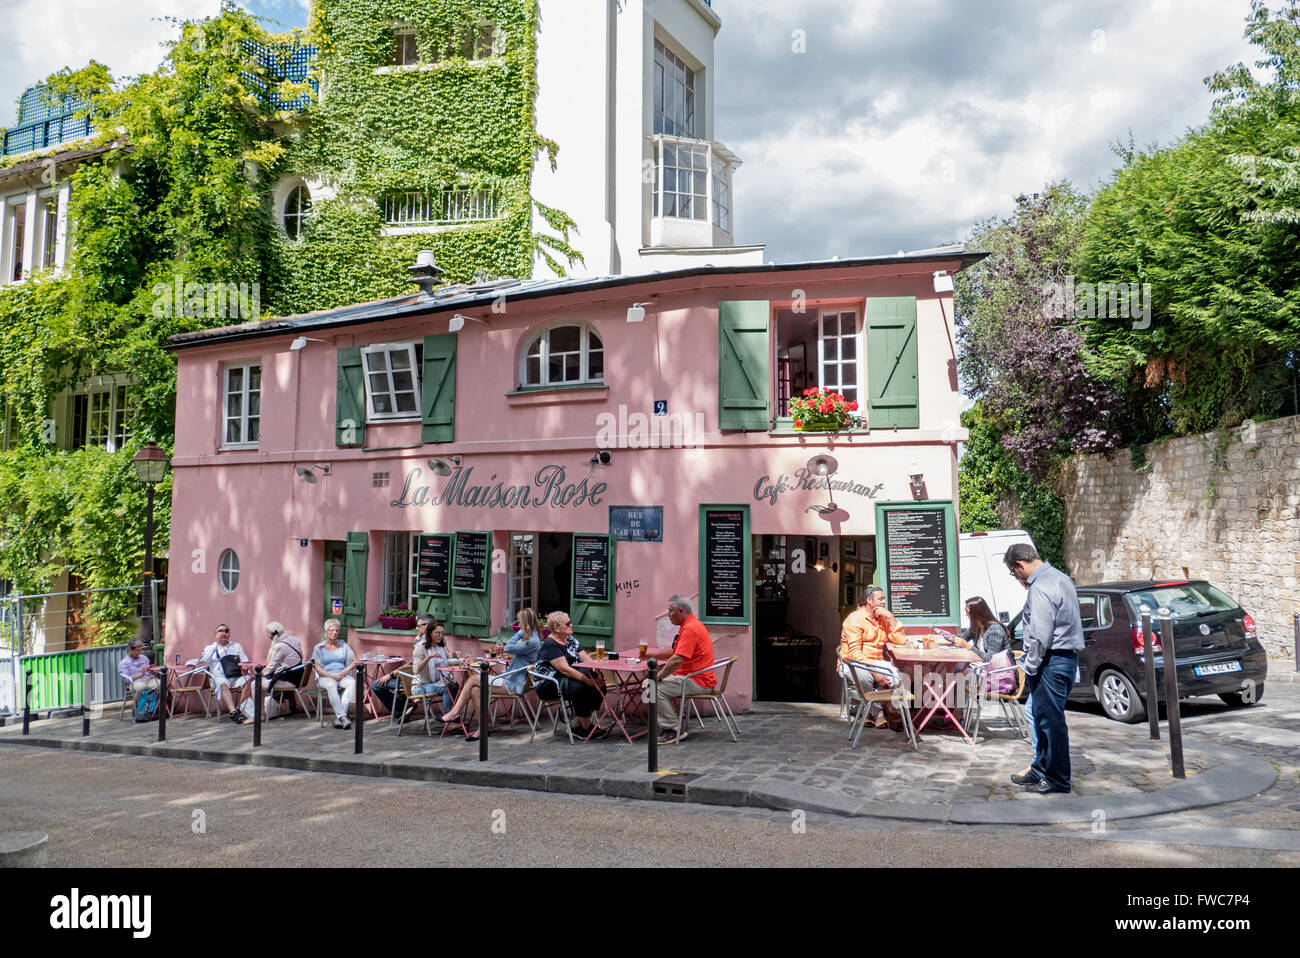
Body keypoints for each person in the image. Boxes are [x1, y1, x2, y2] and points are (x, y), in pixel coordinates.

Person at [1005, 543, 1084, 794]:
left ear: (1020, 565)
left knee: (1051, 722)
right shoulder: (1061, 579)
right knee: (1042, 719)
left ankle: (1058, 779)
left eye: (1013, 572)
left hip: (1050, 660)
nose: (1015, 577)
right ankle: (1040, 769)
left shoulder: (1040, 587)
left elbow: (1040, 635)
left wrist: (1030, 665)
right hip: (1063, 659)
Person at [440, 607, 544, 740]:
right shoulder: (531, 639)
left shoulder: (531, 642)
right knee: (475, 691)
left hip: (513, 684)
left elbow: (509, 648)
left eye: (519, 622)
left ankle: (455, 712)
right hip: (512, 680)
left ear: (525, 623)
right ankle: (483, 728)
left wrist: (518, 634)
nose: (518, 625)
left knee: (472, 680)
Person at [644, 595, 716, 745]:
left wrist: (658, 676)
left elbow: (677, 659)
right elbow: (674, 650)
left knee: (653, 688)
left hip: (699, 681)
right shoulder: (689, 625)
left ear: (681, 611)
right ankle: (665, 725)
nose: (668, 615)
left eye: (670, 611)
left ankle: (673, 728)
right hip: (694, 677)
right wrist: (650, 654)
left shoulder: (690, 629)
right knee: (649, 685)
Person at [839, 586, 909, 729]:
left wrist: (890, 617)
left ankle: (867, 711)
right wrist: (875, 672)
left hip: (877, 661)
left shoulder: (881, 618)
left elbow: (900, 640)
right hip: (852, 662)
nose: (884, 602)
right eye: (880, 599)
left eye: (884, 599)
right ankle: (878, 714)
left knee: (897, 679)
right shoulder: (855, 619)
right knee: (865, 677)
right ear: (869, 600)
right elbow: (854, 654)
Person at [531, 611, 604, 737]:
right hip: (549, 684)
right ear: (557, 628)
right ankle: (586, 727)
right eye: (568, 623)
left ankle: (577, 723)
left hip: (569, 680)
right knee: (581, 687)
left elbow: (585, 658)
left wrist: (596, 669)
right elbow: (566, 670)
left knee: (600, 685)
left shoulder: (570, 639)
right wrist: (587, 681)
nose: (571, 625)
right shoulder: (550, 645)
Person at [239, 621, 304, 717]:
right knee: (265, 680)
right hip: (299, 678)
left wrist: (258, 674)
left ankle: (260, 715)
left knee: (254, 683)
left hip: (288, 681)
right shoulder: (295, 639)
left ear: (270, 636)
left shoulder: (278, 647)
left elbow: (270, 668)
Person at [311, 618, 358, 729]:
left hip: (342, 675)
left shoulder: (343, 645)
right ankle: (343, 717)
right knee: (331, 685)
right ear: (325, 632)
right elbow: (317, 668)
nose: (334, 633)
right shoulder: (318, 648)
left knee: (351, 683)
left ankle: (339, 718)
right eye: (331, 630)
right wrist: (332, 676)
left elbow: (355, 660)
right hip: (326, 677)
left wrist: (347, 670)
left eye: (336, 630)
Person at [201, 623, 250, 723]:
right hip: (220, 677)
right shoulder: (210, 648)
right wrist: (215, 646)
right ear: (215, 634)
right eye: (221, 631)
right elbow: (205, 660)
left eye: (226, 631)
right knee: (223, 685)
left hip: (236, 675)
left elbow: (245, 660)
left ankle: (238, 709)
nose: (224, 633)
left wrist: (245, 667)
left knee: (251, 681)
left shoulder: (236, 646)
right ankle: (233, 712)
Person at [953, 597, 1011, 662]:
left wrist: (968, 646)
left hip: (996, 669)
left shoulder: (995, 630)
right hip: (980, 666)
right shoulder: (978, 626)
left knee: (954, 671)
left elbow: (990, 659)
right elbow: (963, 637)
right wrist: (947, 637)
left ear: (976, 613)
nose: (966, 615)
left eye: (967, 611)